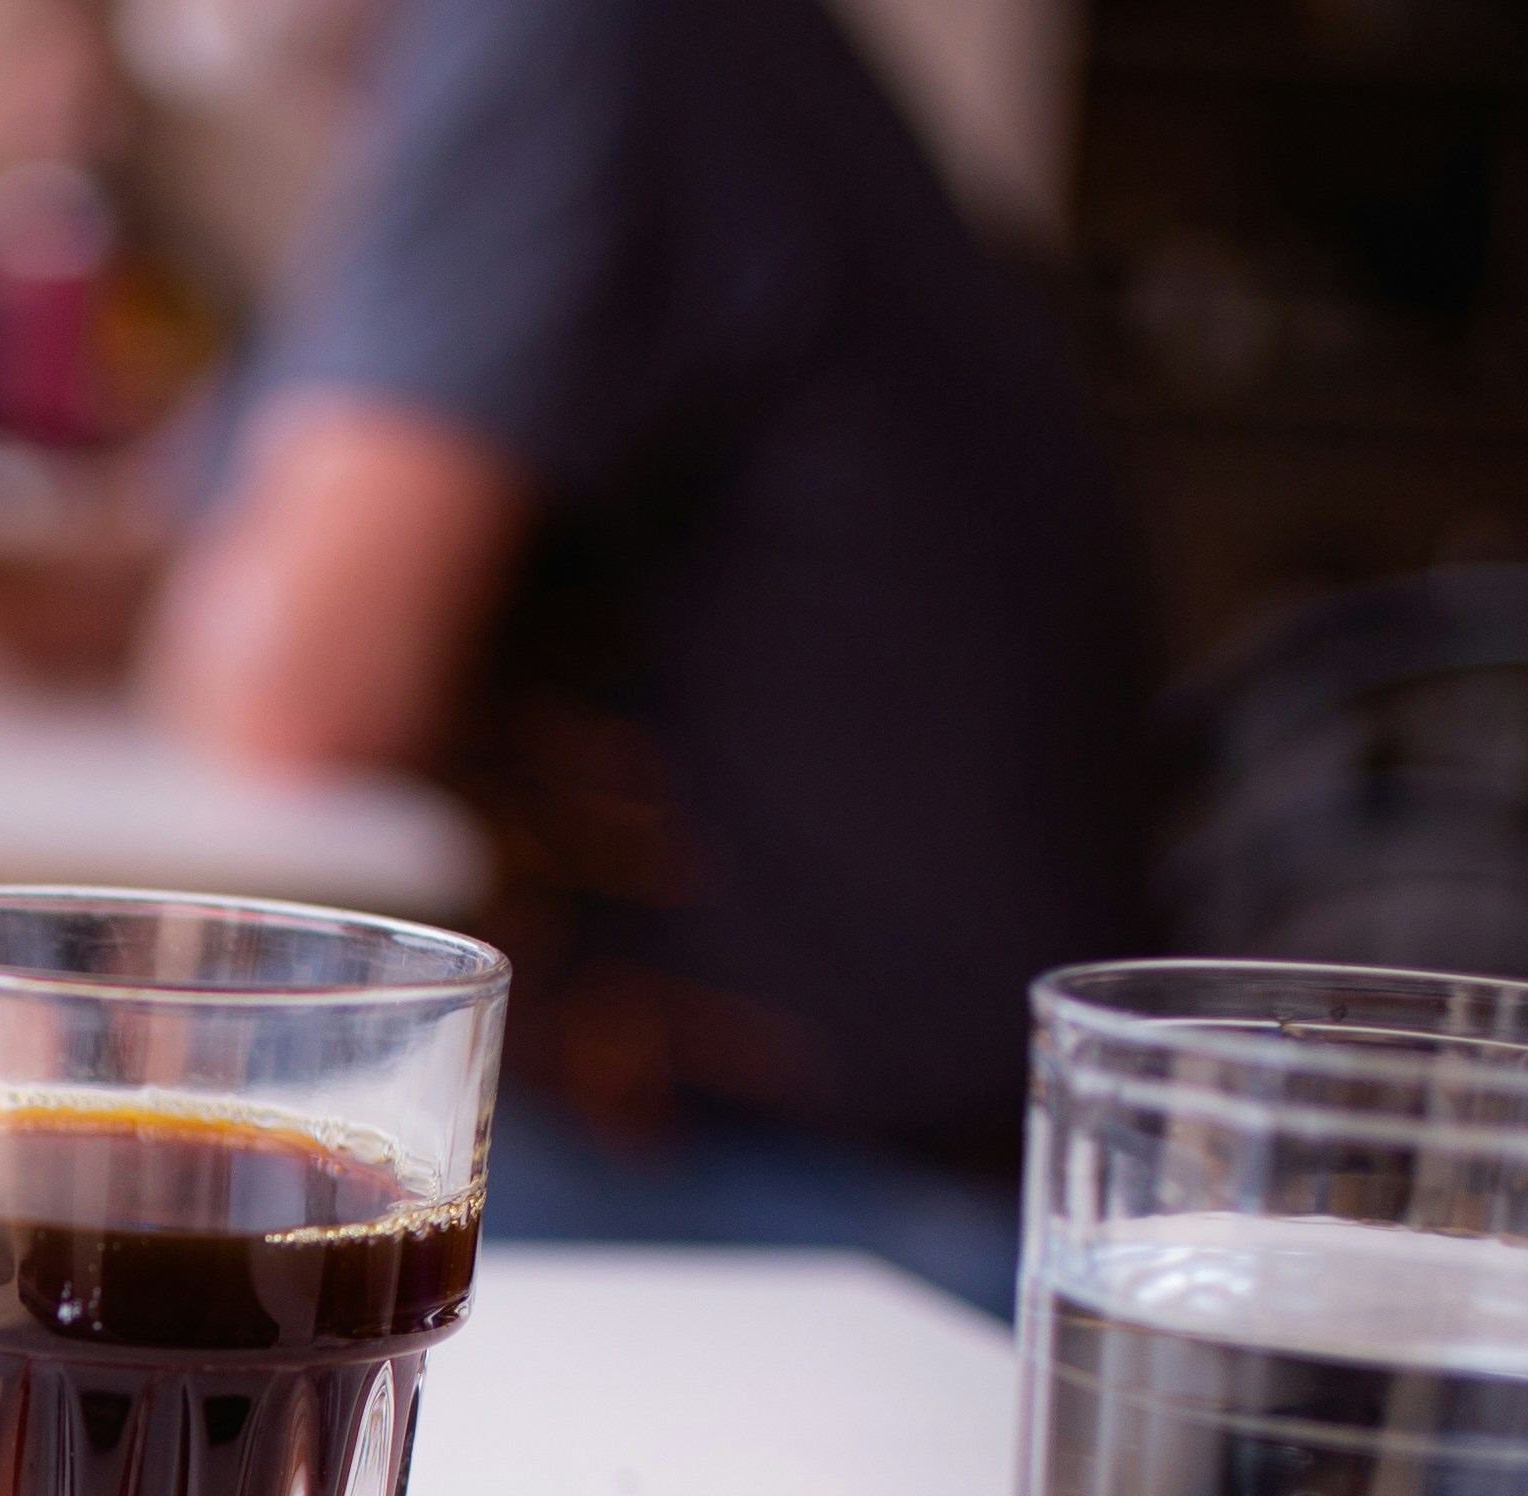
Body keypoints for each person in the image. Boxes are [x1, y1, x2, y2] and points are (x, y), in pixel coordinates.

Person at [144, 0, 1153, 1308]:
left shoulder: (566, 33)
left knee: (114, 1187)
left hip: (874, 1228)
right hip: (843, 1159)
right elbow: (225, 548)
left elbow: (293, 686)